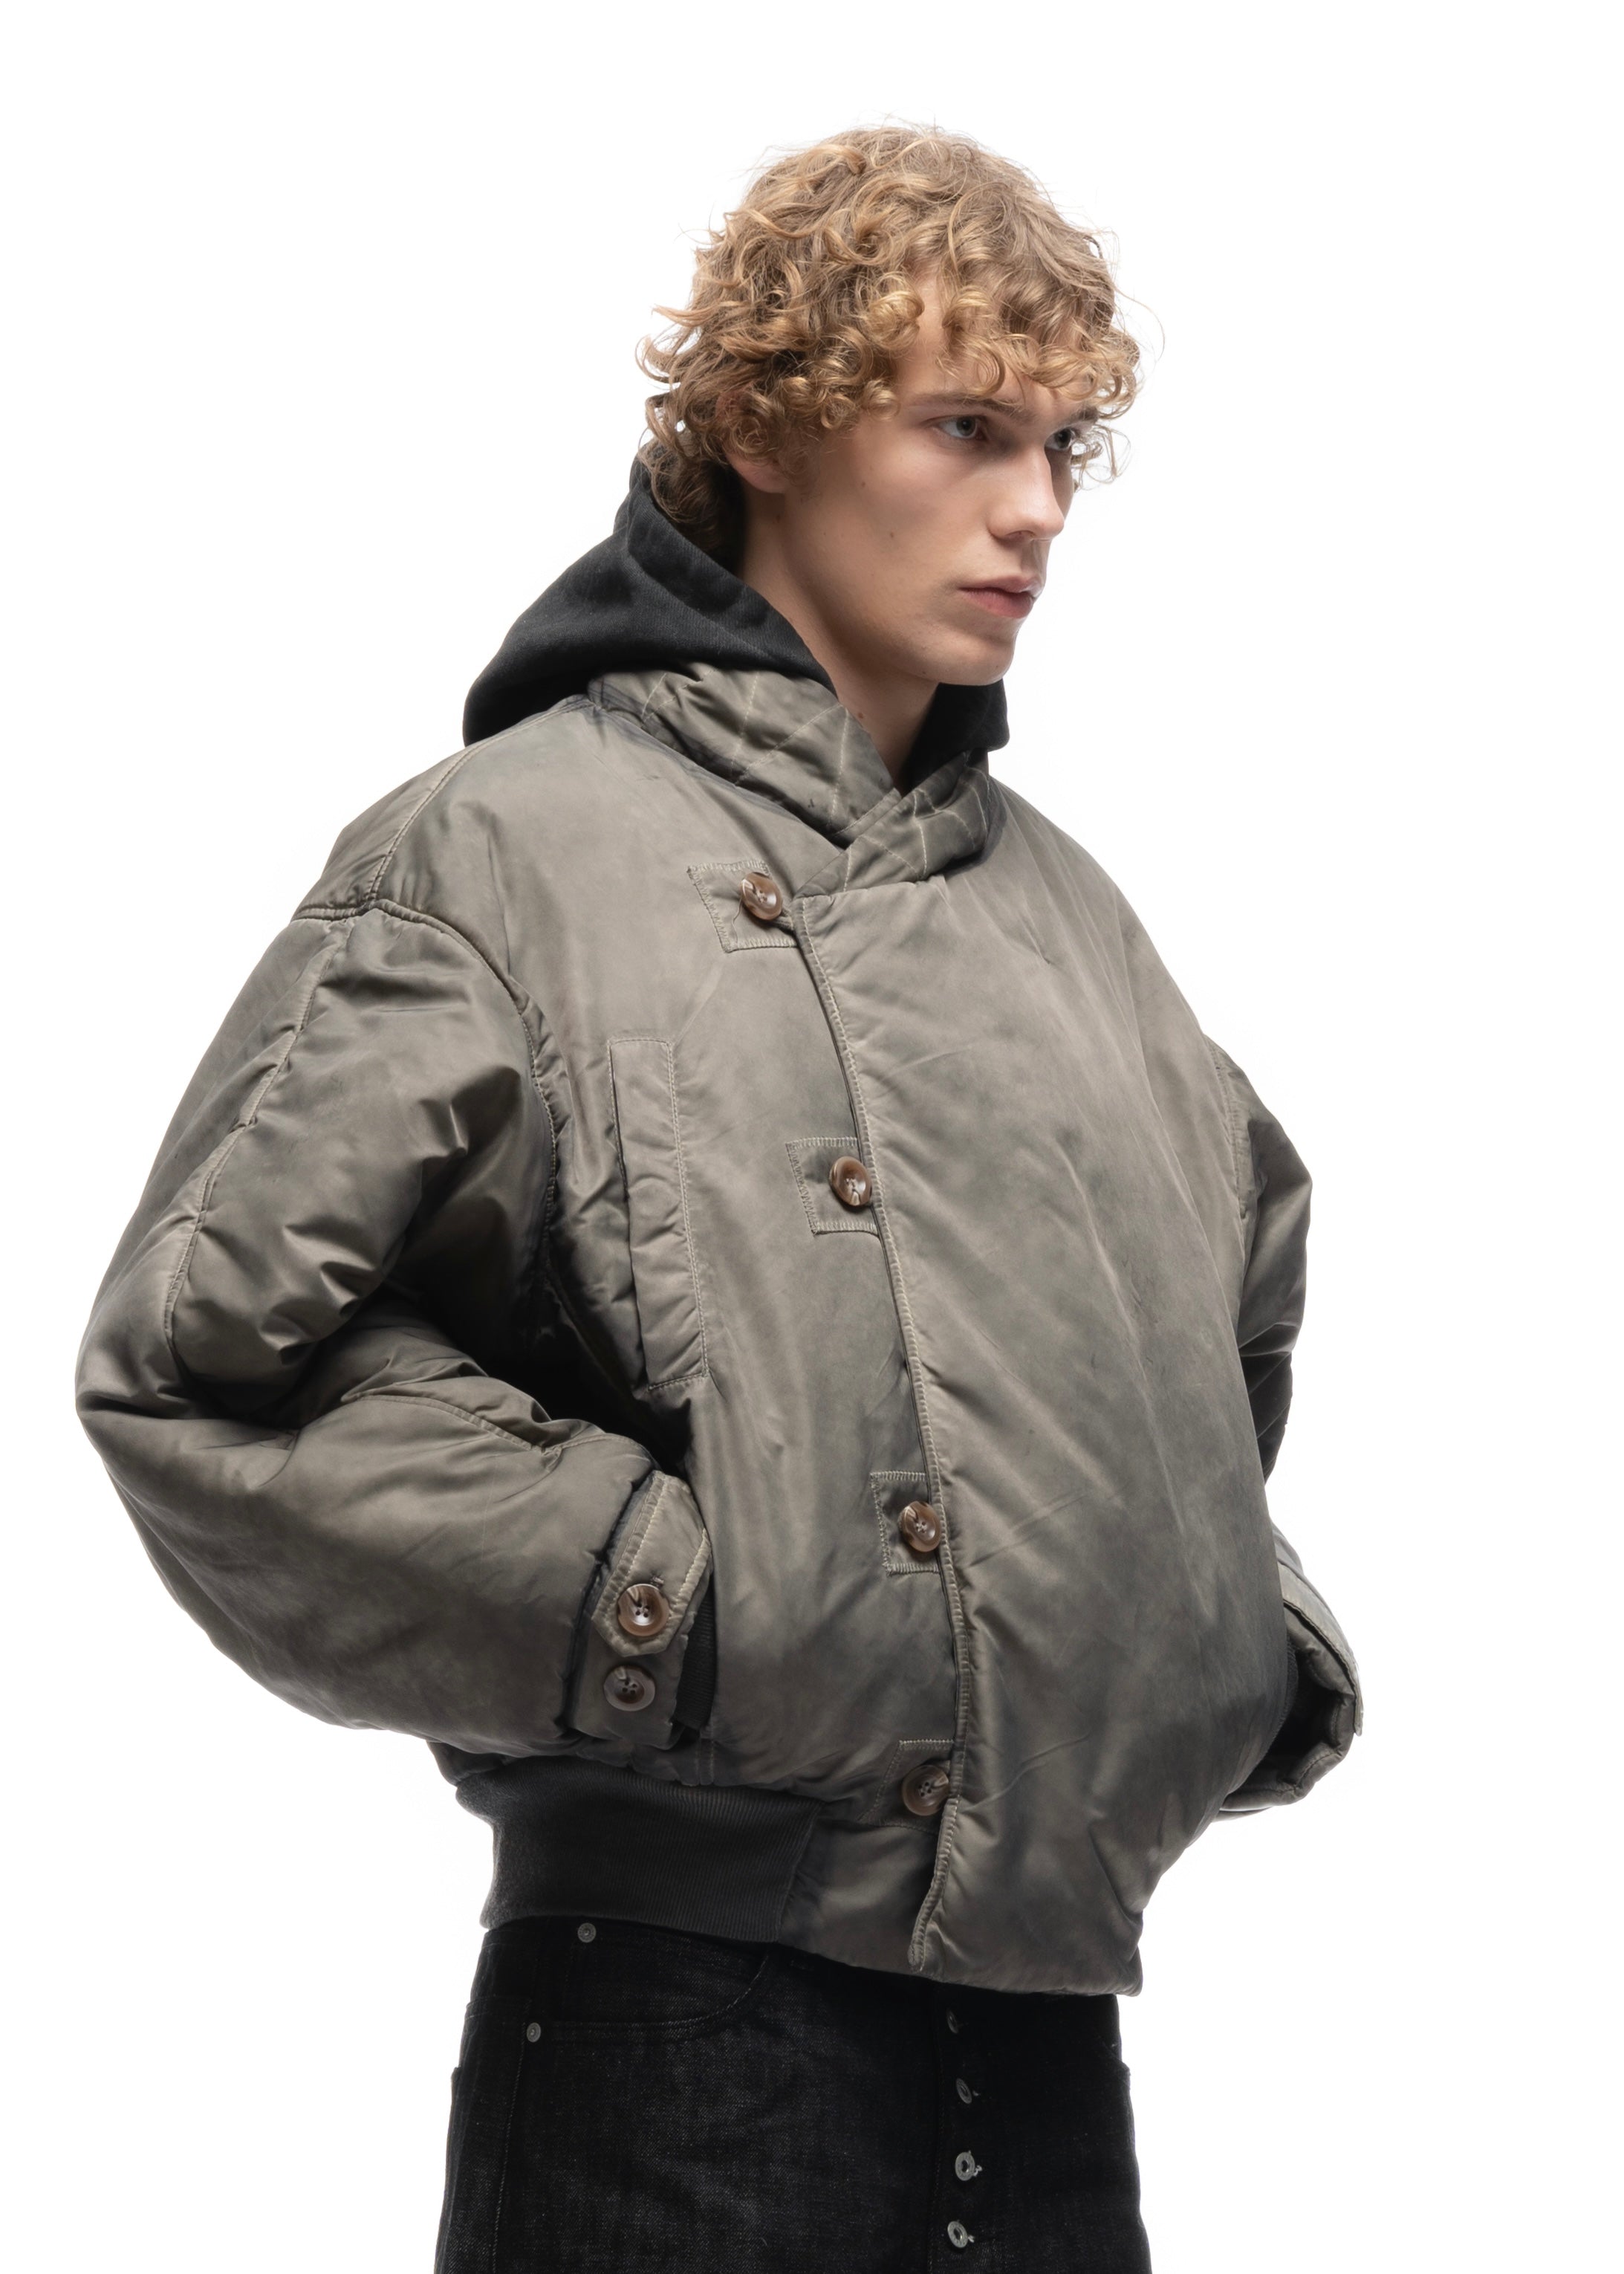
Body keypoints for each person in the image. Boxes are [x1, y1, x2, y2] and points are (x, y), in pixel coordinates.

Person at [76, 126, 1361, 2271]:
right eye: (965, 429)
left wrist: (1230, 1628)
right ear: (769, 424)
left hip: (1051, 2046)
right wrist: (680, 1604)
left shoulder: (1075, 925)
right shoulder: (502, 852)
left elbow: (1219, 1338)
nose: (1036, 508)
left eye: (1061, 446)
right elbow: (209, 1374)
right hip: (675, 2038)